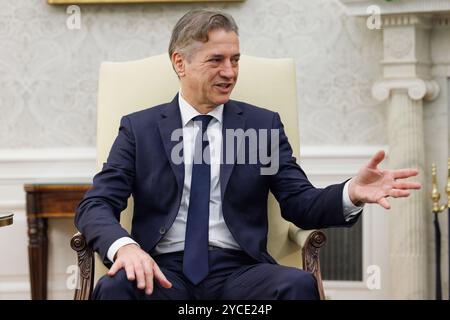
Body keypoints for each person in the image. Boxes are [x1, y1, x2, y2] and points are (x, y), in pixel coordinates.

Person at [75, 9, 421, 300]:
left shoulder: (261, 126)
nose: (230, 72)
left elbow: (299, 203)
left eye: (235, 60)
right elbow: (96, 204)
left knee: (298, 285)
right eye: (217, 60)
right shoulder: (140, 129)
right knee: (115, 289)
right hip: (162, 272)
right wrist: (125, 248)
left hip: (238, 273)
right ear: (180, 63)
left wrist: (350, 193)